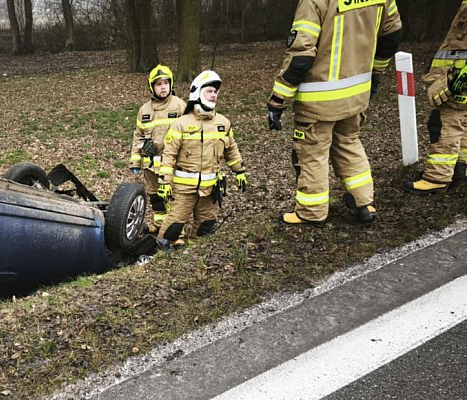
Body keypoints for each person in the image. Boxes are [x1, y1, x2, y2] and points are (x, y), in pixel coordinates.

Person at [266, 0, 402, 224]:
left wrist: (279, 99)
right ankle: (364, 202)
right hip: (357, 93)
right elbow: (392, 35)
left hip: (319, 99)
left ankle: (312, 212)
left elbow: (300, 54)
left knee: (312, 153)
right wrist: (376, 71)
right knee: (349, 142)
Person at [156, 70, 246, 247]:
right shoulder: (181, 124)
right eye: (209, 91)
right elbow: (169, 155)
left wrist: (240, 171)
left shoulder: (223, 123)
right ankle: (162, 256)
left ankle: (194, 254)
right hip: (183, 189)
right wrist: (164, 182)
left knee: (205, 227)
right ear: (197, 92)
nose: (213, 95)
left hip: (210, 189)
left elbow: (231, 150)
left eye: (215, 92)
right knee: (172, 229)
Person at [405, 2, 467, 193]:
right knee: (461, 122)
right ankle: (461, 167)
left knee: (443, 123)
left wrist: (461, 77)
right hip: (455, 73)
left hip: (458, 77)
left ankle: (437, 177)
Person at [128, 64, 187, 234]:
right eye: (159, 84)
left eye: (166, 83)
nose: (163, 87)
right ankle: (159, 223)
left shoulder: (179, 106)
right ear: (152, 87)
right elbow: (137, 135)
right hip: (150, 165)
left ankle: (176, 231)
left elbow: (189, 133)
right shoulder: (144, 110)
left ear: (171, 84)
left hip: (171, 164)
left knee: (171, 196)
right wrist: (136, 160)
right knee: (155, 196)